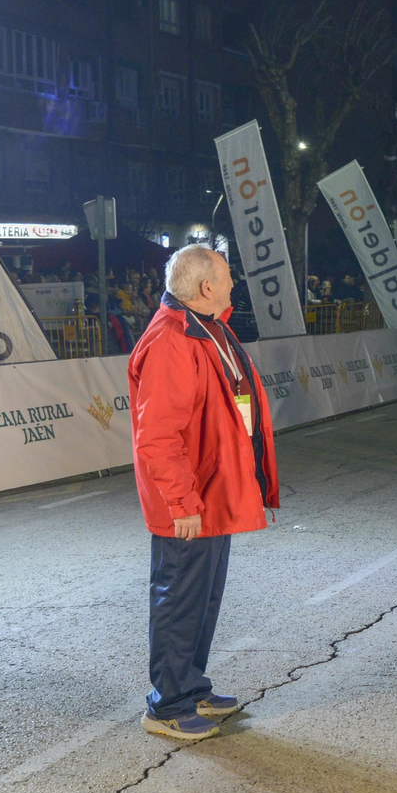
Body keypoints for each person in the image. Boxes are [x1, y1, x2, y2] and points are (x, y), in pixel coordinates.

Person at [128, 245, 280, 741]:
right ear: (206, 287)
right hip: (191, 500)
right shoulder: (173, 339)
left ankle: (190, 687)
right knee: (179, 599)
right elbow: (159, 436)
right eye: (227, 276)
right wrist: (181, 502)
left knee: (202, 599)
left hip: (212, 492)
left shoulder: (204, 324)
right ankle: (167, 705)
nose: (234, 283)